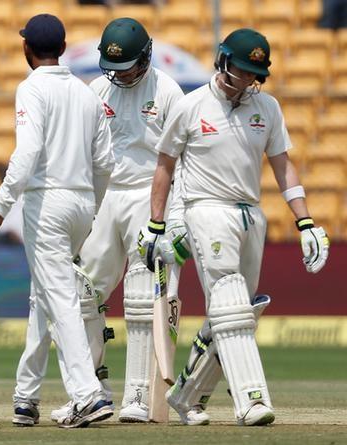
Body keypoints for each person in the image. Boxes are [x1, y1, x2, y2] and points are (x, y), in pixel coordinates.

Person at [138, 28, 330, 426]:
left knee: (238, 313)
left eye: (254, 75)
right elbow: (164, 167)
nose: (247, 82)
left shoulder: (267, 107)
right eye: (241, 72)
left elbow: (282, 164)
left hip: (250, 214)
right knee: (229, 302)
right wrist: (157, 224)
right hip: (204, 211)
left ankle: (186, 395)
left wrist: (305, 220)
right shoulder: (192, 106)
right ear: (222, 62)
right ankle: (252, 401)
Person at [0, 14, 115, 429]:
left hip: (48, 203)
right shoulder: (87, 93)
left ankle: (87, 396)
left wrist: (0, 204)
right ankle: (26, 396)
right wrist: (92, 206)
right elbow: (105, 163)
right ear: (64, 48)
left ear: (26, 49)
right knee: (47, 295)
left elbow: (28, 150)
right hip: (81, 203)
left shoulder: (31, 88)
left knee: (60, 299)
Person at [49, 17, 185, 424]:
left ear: (145, 57)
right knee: (83, 293)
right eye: (116, 68)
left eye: (130, 66)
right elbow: (84, 153)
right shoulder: (97, 90)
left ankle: (140, 396)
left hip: (149, 196)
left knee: (143, 298)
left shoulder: (168, 92)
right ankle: (90, 392)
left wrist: (173, 216)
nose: (123, 75)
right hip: (105, 197)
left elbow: (181, 159)